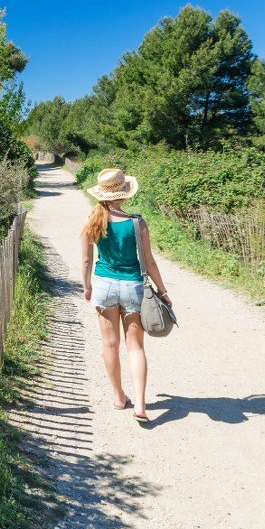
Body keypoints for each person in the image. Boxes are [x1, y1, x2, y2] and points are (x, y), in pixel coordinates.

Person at [80, 167, 172, 423]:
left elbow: (87, 261)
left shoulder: (92, 222)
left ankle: (119, 396)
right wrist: (162, 291)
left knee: (110, 344)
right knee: (135, 347)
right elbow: (150, 263)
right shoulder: (137, 223)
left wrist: (87, 287)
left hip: (104, 286)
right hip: (133, 287)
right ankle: (140, 405)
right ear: (124, 194)